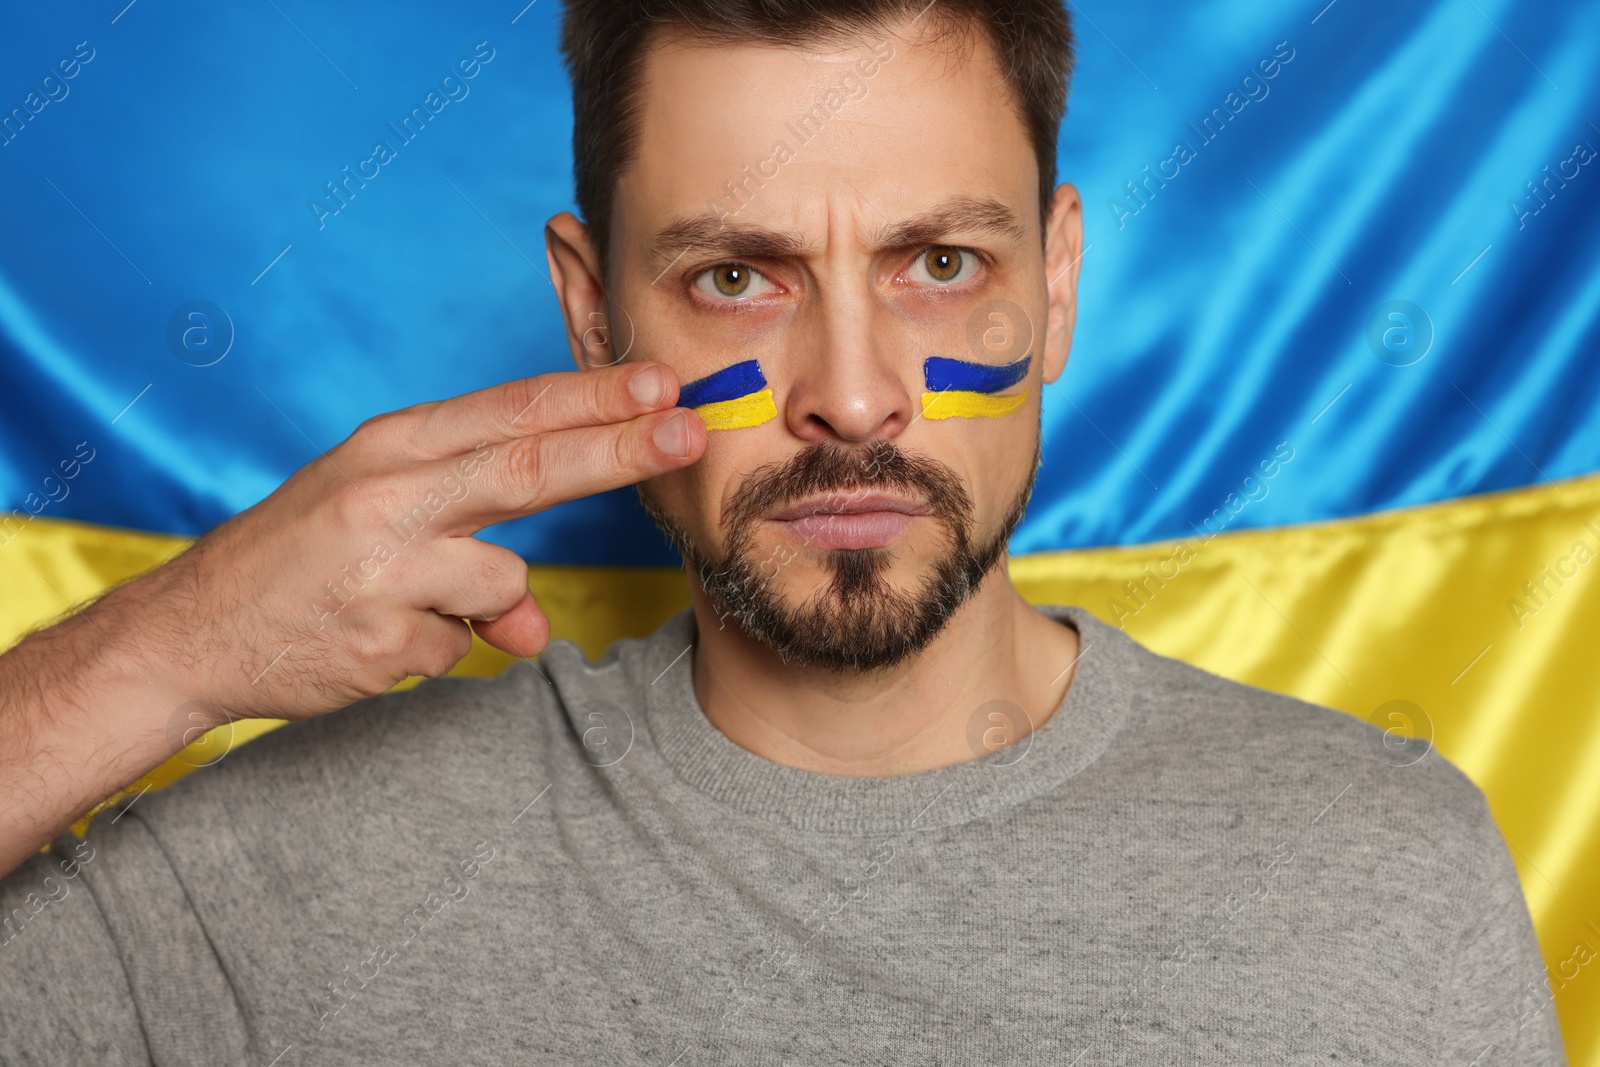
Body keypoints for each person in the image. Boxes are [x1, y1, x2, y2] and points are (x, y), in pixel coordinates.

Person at [0, 0, 1566, 1062]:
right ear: (590, 304)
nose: (856, 395)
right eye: (737, 278)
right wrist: (168, 649)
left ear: (1059, 280)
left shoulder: (1382, 880)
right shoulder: (290, 881)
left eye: (939, 263)